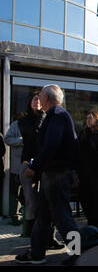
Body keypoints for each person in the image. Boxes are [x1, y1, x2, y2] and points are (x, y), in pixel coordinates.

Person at [15, 85, 80, 265]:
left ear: (48, 99)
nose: (39, 100)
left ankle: (77, 254)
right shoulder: (56, 115)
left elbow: (51, 145)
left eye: (41, 96)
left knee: (63, 216)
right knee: (43, 214)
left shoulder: (57, 115)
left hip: (56, 174)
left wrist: (35, 167)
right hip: (52, 173)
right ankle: (37, 253)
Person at [15, 92, 45, 237]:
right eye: (35, 99)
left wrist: (42, 116)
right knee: (29, 197)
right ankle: (29, 228)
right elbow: (32, 134)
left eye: (40, 99)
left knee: (44, 196)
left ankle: (42, 228)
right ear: (30, 102)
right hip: (28, 160)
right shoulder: (23, 121)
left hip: (43, 161)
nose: (37, 101)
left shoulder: (46, 117)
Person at [77, 110, 98, 229]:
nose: (88, 120)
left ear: (97, 119)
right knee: (85, 197)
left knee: (97, 199)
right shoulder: (83, 134)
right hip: (84, 171)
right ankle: (91, 222)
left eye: (91, 118)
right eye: (87, 118)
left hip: (97, 171)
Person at [4, 119, 24, 226]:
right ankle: (15, 216)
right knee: (15, 191)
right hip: (17, 166)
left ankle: (27, 216)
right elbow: (7, 139)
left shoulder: (40, 123)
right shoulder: (16, 125)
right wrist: (21, 141)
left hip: (32, 165)